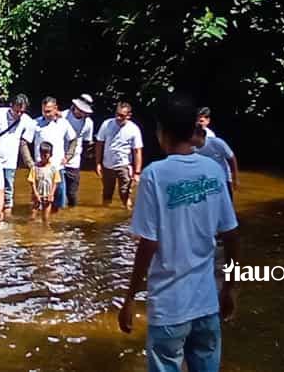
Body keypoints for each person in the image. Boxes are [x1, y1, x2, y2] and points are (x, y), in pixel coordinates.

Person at [117, 93, 240, 372]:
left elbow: (148, 244)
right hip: (207, 303)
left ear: (163, 132)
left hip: (170, 308)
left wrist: (129, 299)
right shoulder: (212, 170)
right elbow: (231, 235)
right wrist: (230, 288)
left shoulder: (154, 175)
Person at [0, 94, 35, 215]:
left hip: (10, 163)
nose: (19, 114)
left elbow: (24, 144)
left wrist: (31, 165)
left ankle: (5, 223)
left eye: (22, 111)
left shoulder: (28, 121)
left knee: (8, 195)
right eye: (17, 111)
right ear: (11, 106)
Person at [22, 97, 77, 210]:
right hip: (40, 170)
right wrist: (30, 163)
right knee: (37, 205)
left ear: (56, 109)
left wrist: (68, 156)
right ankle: (38, 225)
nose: (45, 114)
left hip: (58, 168)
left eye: (48, 111)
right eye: (43, 111)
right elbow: (23, 142)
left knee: (59, 204)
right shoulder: (35, 123)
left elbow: (73, 139)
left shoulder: (63, 123)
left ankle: (55, 225)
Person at [95, 102, 143, 208]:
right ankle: (104, 215)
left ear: (129, 116)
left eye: (121, 115)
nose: (118, 117)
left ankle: (127, 214)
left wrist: (137, 172)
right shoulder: (107, 124)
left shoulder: (134, 129)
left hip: (124, 165)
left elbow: (137, 151)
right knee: (107, 193)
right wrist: (98, 163)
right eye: (117, 114)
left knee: (125, 193)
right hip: (107, 164)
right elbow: (99, 143)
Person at [61, 94, 95, 207]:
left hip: (74, 160)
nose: (80, 112)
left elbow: (87, 143)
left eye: (83, 111)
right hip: (58, 158)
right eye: (79, 109)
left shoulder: (89, 123)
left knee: (72, 194)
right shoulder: (63, 115)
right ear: (74, 106)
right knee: (58, 192)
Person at [191, 125, 240, 200]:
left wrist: (235, 178)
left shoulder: (217, 143)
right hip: (204, 182)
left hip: (222, 178)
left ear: (200, 135)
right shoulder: (190, 148)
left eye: (192, 135)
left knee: (227, 202)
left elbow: (231, 158)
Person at [27, 141, 61, 223]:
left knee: (46, 218)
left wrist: (51, 194)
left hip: (48, 195)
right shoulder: (35, 167)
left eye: (47, 153)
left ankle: (46, 231)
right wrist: (35, 193)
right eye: (42, 153)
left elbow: (55, 182)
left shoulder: (53, 168)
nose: (45, 156)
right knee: (32, 216)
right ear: (40, 153)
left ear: (51, 154)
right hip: (37, 195)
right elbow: (32, 181)